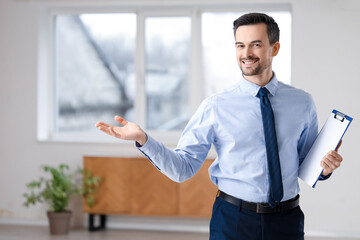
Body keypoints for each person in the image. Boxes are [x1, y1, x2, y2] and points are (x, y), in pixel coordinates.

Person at [95, 12, 343, 240]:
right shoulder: (216, 106)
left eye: (256, 44)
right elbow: (183, 168)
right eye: (240, 45)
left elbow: (306, 164)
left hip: (287, 221)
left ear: (274, 48)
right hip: (234, 220)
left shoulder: (302, 102)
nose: (246, 53)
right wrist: (144, 140)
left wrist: (325, 168)